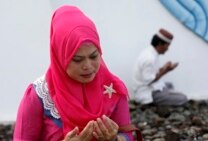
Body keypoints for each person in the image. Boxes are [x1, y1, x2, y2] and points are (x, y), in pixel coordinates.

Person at [14, 5, 134, 141]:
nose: (88, 66)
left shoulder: (113, 89)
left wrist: (115, 139)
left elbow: (128, 135)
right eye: (77, 60)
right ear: (59, 57)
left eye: (94, 56)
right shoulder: (38, 96)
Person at [132, 28, 188, 113]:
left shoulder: (150, 52)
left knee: (170, 85)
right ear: (160, 44)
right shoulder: (149, 58)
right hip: (147, 92)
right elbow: (149, 80)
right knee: (183, 98)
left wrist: (165, 67)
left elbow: (153, 73)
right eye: (167, 46)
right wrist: (167, 70)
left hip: (150, 87)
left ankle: (166, 96)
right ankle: (155, 103)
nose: (167, 49)